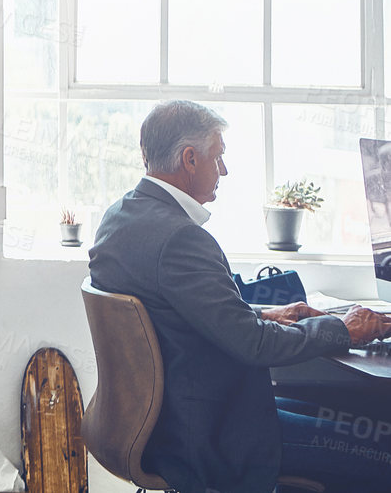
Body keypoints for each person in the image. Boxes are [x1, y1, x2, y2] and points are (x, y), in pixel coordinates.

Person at [90, 99, 391, 493]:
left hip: (171, 423)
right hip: (209, 438)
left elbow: (180, 313)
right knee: (380, 446)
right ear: (190, 159)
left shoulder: (121, 217)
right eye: (219, 158)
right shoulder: (181, 238)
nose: (224, 170)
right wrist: (342, 328)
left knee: (350, 414)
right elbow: (253, 346)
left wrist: (264, 314)